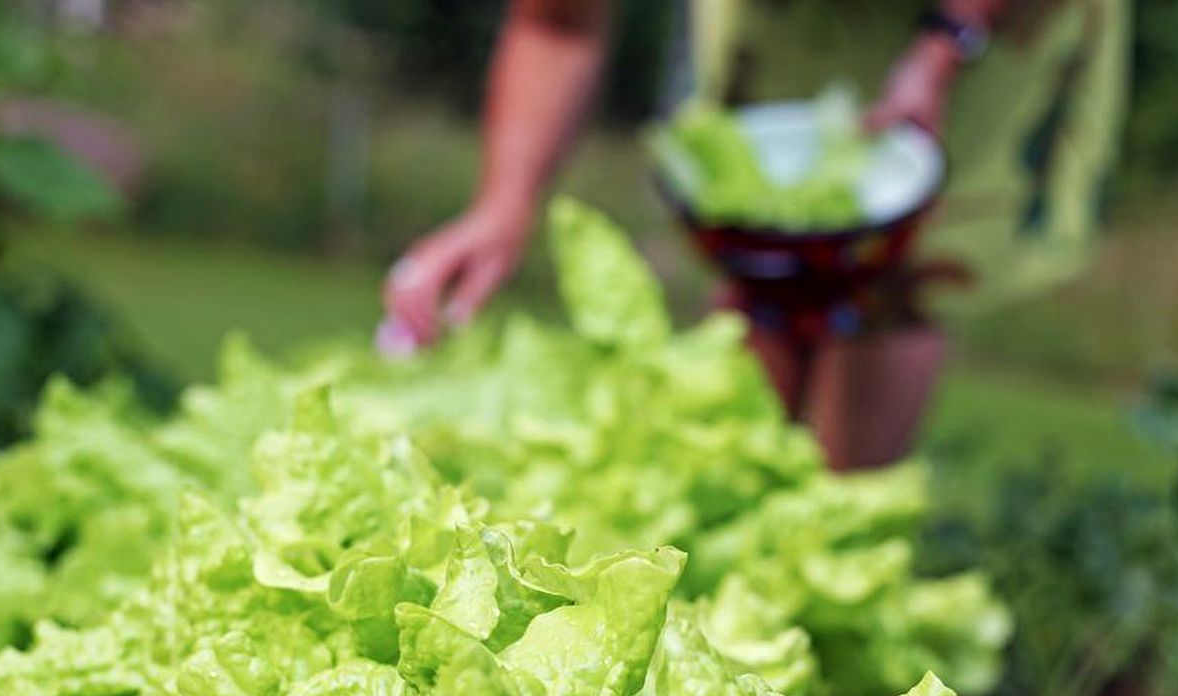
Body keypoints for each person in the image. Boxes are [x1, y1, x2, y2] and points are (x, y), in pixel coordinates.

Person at [383, 0, 1129, 469]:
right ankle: (747, 536)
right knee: (758, 233)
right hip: (779, 28)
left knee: (894, 268)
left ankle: (825, 561)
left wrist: (945, 40)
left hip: (983, 34)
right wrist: (502, 204)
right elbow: (557, 21)